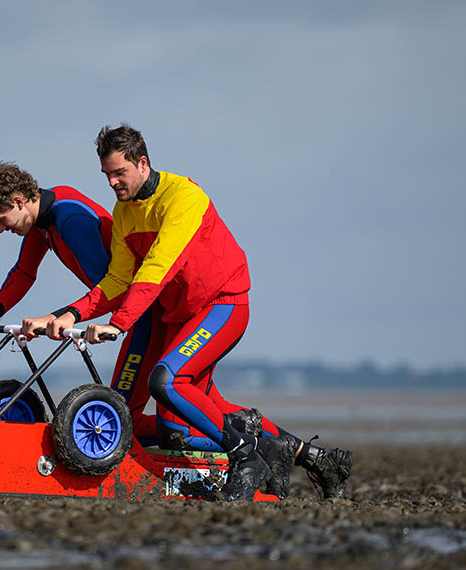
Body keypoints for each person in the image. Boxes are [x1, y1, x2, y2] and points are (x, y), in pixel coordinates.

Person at [23, 126, 352, 500]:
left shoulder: (183, 198)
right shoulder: (125, 212)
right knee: (185, 423)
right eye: (107, 175)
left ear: (142, 163)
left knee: (166, 382)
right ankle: (315, 458)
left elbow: (156, 270)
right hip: (179, 317)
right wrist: (69, 314)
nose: (113, 183)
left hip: (221, 305)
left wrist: (118, 324)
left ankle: (245, 456)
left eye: (119, 173)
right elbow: (118, 278)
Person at [0, 162, 166, 441]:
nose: (1, 229)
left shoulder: (70, 220)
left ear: (18, 202)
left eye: (1, 219)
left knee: (120, 421)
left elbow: (112, 290)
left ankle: (222, 434)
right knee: (124, 417)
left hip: (150, 316)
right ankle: (228, 428)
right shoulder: (43, 220)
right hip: (137, 316)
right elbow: (24, 273)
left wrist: (54, 317)